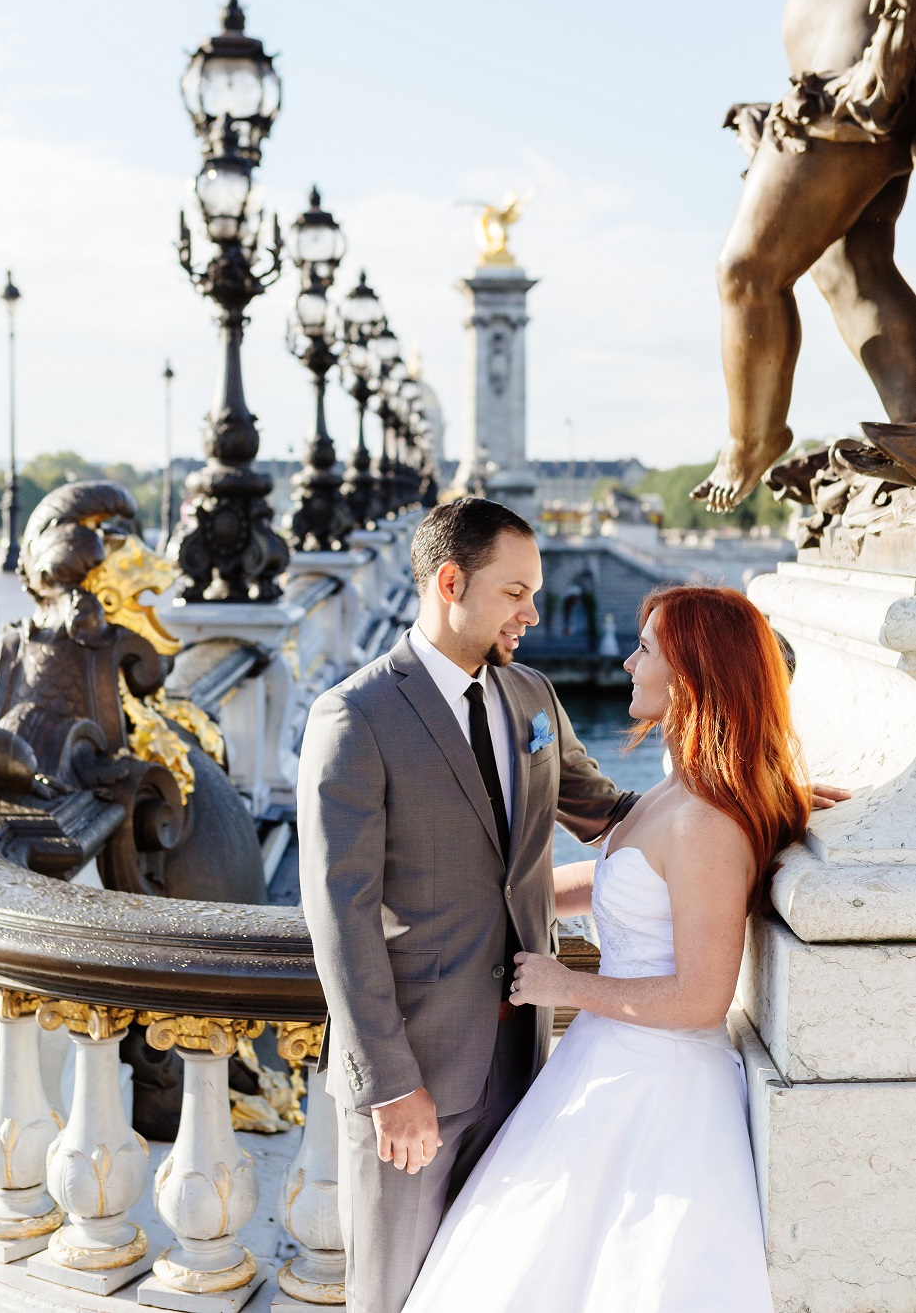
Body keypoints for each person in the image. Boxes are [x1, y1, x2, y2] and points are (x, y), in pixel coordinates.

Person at [298, 499, 847, 1313]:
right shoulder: (354, 715)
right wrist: (387, 1083)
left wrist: (766, 794)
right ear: (451, 582)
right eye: (515, 592)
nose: (535, 612)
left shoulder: (529, 696)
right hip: (416, 1071)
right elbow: (339, 918)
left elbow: (622, 820)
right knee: (396, 1288)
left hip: (530, 1064)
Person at [402, 586, 809, 1312]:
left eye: (645, 648)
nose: (626, 660)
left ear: (688, 675)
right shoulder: (672, 795)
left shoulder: (704, 821)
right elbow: (620, 879)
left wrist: (567, 986)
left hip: (657, 1091)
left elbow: (701, 998)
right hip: (608, 1062)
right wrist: (474, 906)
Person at [693, 0, 916, 513]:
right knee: (853, 267)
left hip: (857, 85)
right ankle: (914, 418)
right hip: (851, 77)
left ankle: (752, 440)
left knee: (747, 269)